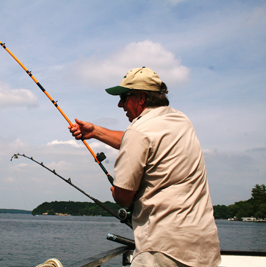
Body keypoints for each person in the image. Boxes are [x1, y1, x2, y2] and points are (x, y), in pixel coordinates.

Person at [69, 67, 221, 267]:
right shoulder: (181, 120)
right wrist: (95, 131)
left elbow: (124, 197)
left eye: (124, 97)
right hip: (203, 247)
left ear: (141, 98)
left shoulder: (138, 132)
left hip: (162, 249)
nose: (120, 104)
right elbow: (143, 140)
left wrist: (117, 193)